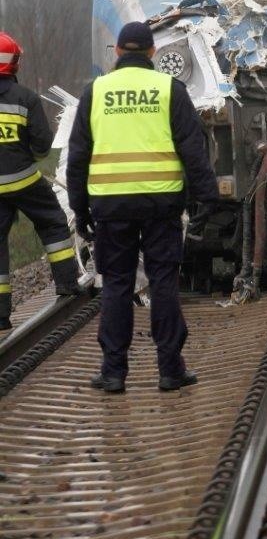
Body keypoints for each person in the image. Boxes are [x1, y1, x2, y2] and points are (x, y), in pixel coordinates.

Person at [66, 21, 219, 393]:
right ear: (152, 53)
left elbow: (78, 156)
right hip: (161, 203)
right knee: (164, 281)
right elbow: (193, 150)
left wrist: (79, 209)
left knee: (116, 285)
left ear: (117, 52)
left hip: (110, 206)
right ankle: (170, 369)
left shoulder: (95, 92)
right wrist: (206, 198)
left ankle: (114, 372)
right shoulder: (170, 89)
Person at [0, 32, 80, 330]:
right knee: (53, 223)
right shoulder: (26, 99)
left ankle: (0, 315)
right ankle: (67, 284)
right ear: (14, 64)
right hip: (24, 181)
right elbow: (43, 146)